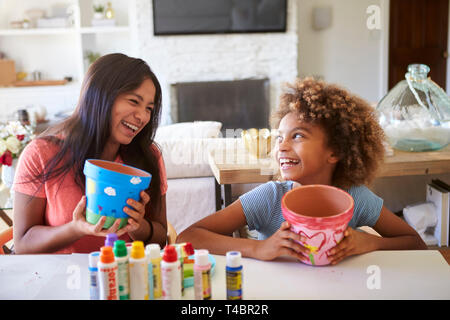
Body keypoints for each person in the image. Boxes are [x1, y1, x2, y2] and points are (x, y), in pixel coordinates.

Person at [177, 77, 427, 264]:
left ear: (335, 151)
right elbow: (187, 237)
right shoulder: (270, 197)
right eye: (279, 138)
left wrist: (371, 243)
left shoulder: (356, 198)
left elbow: (416, 245)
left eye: (297, 136)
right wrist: (259, 248)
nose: (281, 146)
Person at [13, 53, 168, 254]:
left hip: (124, 277)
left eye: (149, 108)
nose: (142, 116)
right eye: (133, 101)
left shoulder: (148, 156)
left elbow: (161, 237)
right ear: (99, 96)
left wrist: (139, 227)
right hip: (60, 280)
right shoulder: (42, 154)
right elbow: (23, 243)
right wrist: (75, 228)